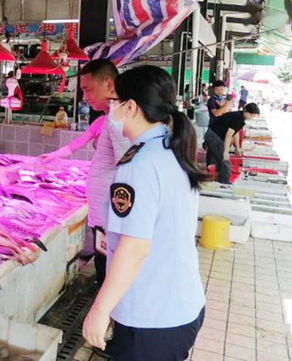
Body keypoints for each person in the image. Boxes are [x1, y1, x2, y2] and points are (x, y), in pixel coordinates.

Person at [82, 65, 209, 361]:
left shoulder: (137, 165)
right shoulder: (170, 148)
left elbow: (135, 247)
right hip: (180, 304)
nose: (110, 109)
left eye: (115, 102)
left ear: (129, 107)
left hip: (153, 317)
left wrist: (99, 311)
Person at [40, 59, 129, 287]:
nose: (85, 97)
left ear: (109, 85)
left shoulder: (119, 119)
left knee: (108, 268)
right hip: (104, 213)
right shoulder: (106, 119)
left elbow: (129, 167)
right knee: (103, 262)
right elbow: (79, 143)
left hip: (112, 213)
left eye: (88, 89)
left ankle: (106, 310)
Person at [204, 103, 260, 184]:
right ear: (245, 110)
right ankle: (224, 183)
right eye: (251, 115)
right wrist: (226, 151)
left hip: (212, 135)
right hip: (214, 137)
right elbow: (229, 135)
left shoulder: (239, 116)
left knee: (220, 161)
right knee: (225, 162)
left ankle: (218, 181)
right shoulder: (238, 118)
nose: (251, 118)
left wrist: (237, 148)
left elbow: (235, 132)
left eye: (253, 116)